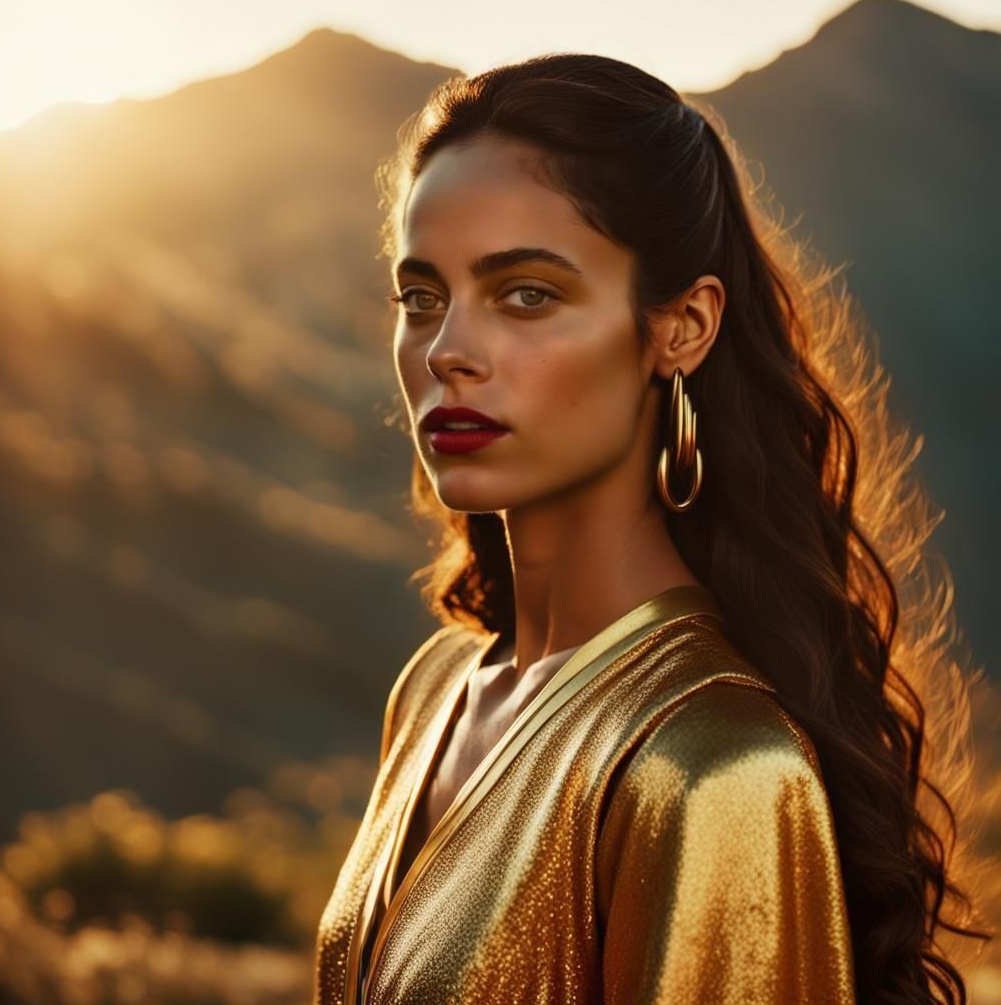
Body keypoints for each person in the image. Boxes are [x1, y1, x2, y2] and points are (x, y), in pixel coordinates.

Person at [314, 53, 988, 1005]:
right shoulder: (432, 693)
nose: (448, 350)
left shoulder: (712, 768)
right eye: (422, 297)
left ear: (682, 326)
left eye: (526, 294)